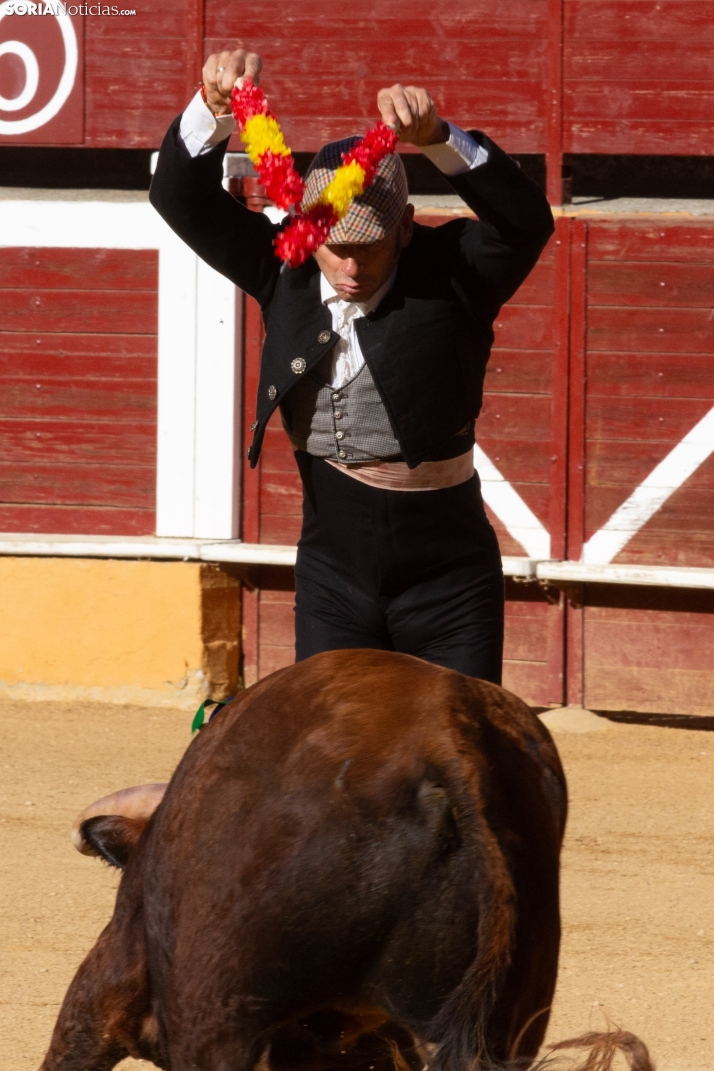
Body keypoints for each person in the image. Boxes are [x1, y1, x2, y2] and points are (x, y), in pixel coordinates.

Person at [150, 47, 554, 686]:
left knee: (459, 746)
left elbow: (526, 221)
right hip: (333, 580)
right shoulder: (283, 267)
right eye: (334, 247)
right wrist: (214, 107)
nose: (350, 267)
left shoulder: (452, 273)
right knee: (325, 745)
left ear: (407, 230)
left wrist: (439, 138)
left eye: (369, 246)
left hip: (449, 587)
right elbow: (177, 195)